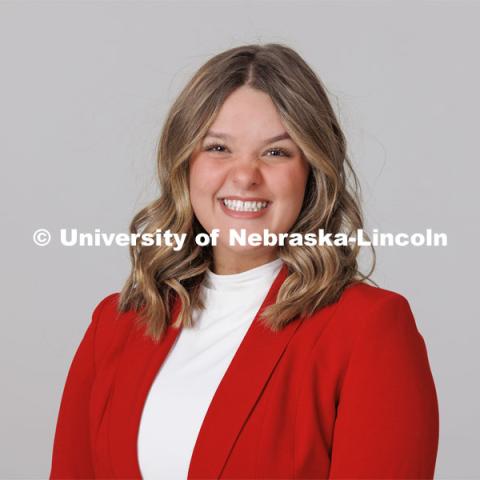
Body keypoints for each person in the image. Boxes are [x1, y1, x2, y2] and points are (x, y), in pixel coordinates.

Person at [49, 43, 439, 479]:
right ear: (185, 165)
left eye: (276, 152)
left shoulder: (368, 328)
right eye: (218, 148)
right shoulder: (116, 325)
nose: (244, 174)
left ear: (312, 171)